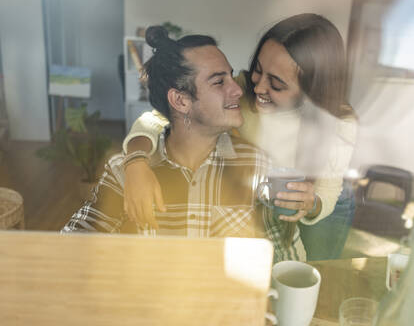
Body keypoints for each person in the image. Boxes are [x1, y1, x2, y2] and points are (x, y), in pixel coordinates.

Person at [123, 14, 358, 260]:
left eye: (276, 84)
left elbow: (328, 193)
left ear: (312, 89)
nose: (257, 88)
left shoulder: (339, 123)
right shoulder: (241, 91)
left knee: (315, 273)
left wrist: (313, 204)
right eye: (258, 70)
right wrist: (135, 163)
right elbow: (163, 116)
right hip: (268, 194)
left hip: (320, 198)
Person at [62, 27, 307, 262]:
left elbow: (286, 258)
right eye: (219, 82)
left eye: (230, 77)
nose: (238, 90)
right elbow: (69, 251)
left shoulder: (258, 166)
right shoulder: (125, 171)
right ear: (180, 100)